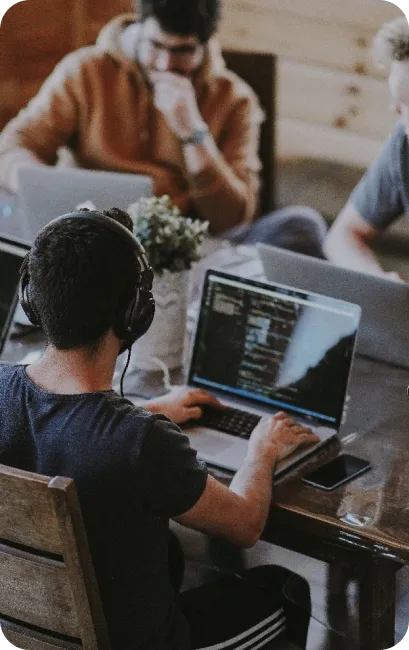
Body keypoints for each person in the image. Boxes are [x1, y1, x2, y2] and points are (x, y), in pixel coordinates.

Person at [0, 206, 319, 649]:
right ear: (136, 313)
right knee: (287, 592)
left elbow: (65, 425)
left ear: (34, 299)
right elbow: (246, 525)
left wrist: (147, 408)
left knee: (167, 551)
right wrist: (261, 450)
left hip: (22, 635)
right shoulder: (140, 441)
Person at [0, 0, 327, 257]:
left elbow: (233, 219)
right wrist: (38, 188)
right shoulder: (84, 71)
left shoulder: (235, 99)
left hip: (185, 250)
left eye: (183, 51)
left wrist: (193, 132)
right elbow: (14, 145)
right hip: (91, 236)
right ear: (139, 26)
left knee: (302, 226)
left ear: (206, 43)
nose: (165, 64)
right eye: (156, 45)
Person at [324, 16, 409, 280]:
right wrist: (380, 283)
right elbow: (342, 236)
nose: (398, 114)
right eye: (397, 103)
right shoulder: (403, 144)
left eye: (408, 103)